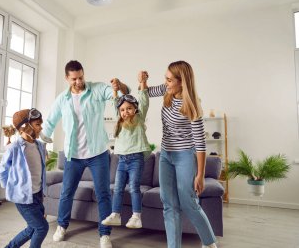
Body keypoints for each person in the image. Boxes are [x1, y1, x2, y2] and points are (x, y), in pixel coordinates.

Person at [41, 60, 129, 248]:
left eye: (81, 77)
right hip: (73, 155)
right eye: (74, 79)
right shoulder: (62, 99)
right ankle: (62, 226)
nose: (79, 81)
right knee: (66, 192)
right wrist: (41, 144)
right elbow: (50, 122)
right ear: (67, 78)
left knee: (103, 193)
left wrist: (118, 87)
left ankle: (104, 234)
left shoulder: (96, 90)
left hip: (97, 153)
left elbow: (120, 97)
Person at [144, 61, 217, 248]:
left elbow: (200, 144)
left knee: (189, 202)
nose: (165, 83)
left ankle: (209, 243)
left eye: (169, 80)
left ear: (182, 82)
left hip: (185, 155)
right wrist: (142, 82)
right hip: (165, 155)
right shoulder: (167, 91)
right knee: (168, 204)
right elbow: (146, 92)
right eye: (165, 79)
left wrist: (200, 175)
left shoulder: (191, 105)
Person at [101, 72, 150, 229]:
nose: (125, 112)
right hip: (122, 160)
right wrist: (114, 90)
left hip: (136, 159)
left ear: (135, 110)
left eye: (129, 108)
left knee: (134, 186)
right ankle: (116, 214)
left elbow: (143, 100)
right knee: (117, 188)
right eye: (122, 110)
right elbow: (114, 102)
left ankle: (136, 216)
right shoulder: (119, 121)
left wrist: (143, 82)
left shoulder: (139, 119)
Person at [0, 108, 49, 248]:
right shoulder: (14, 148)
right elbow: (2, 171)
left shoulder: (39, 146)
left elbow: (39, 170)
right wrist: (11, 188)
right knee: (41, 228)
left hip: (37, 195)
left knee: (32, 228)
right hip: (23, 197)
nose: (41, 128)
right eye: (38, 124)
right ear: (25, 127)